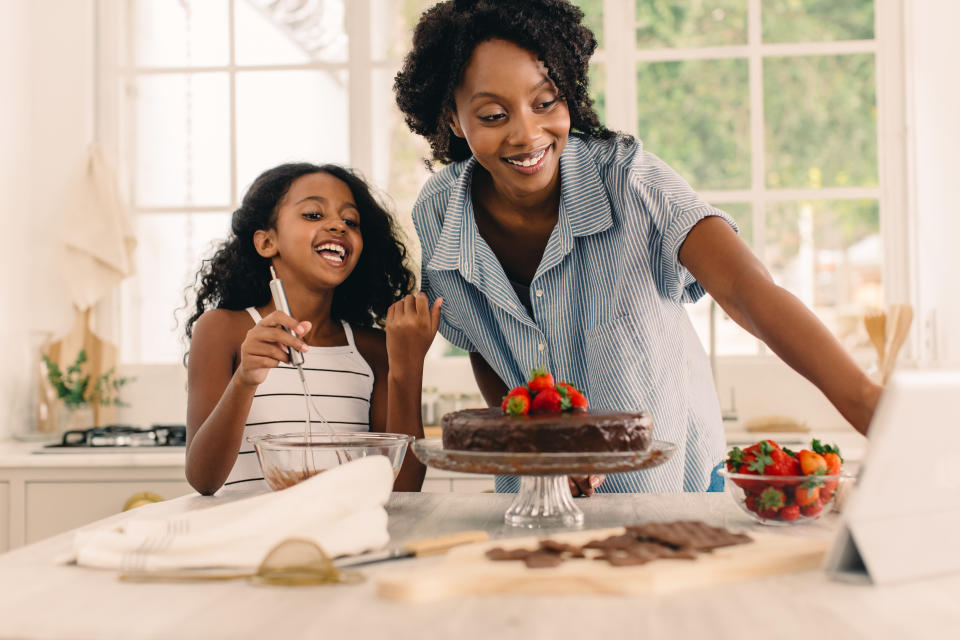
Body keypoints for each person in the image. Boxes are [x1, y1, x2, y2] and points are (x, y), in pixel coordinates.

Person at [394, 0, 881, 496]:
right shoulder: (439, 210)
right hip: (540, 497)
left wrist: (865, 402)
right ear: (454, 119)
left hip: (671, 491)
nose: (526, 133)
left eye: (546, 103)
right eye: (494, 114)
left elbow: (746, 290)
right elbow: (485, 343)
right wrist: (540, 447)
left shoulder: (629, 181)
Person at [183, 163, 440, 495]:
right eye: (313, 215)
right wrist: (245, 378)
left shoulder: (373, 349)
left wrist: (408, 367)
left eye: (351, 221)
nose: (337, 225)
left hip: (344, 541)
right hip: (252, 542)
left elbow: (403, 491)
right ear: (266, 243)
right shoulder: (223, 329)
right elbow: (203, 479)